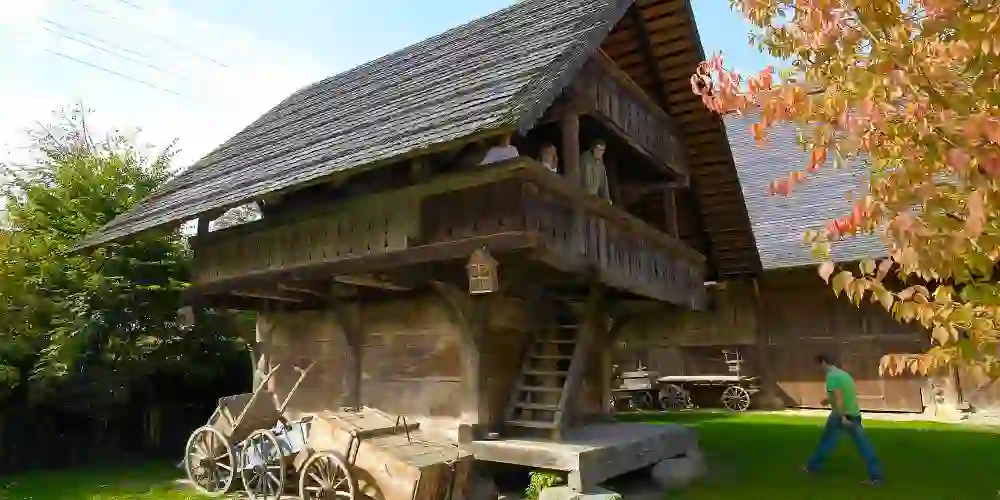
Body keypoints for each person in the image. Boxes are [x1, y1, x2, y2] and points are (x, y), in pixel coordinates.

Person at [804, 353, 884, 486]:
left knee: (827, 443)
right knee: (863, 446)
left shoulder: (831, 377)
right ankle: (877, 477)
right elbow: (846, 394)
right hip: (854, 414)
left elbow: (840, 398)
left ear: (823, 363)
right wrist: (828, 400)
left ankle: (811, 468)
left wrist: (842, 418)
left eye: (818, 366)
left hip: (841, 415)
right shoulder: (844, 375)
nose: (819, 369)